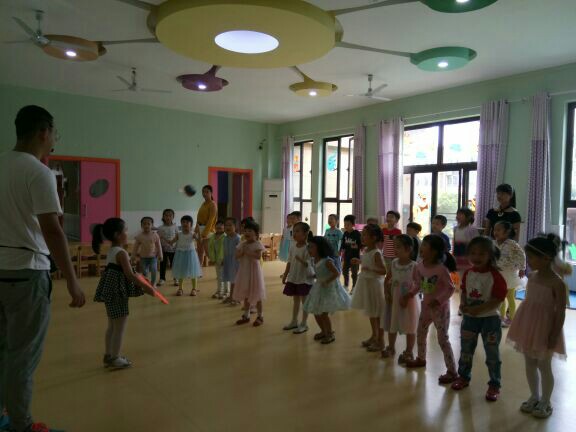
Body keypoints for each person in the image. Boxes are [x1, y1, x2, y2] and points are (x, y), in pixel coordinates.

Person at [0, 105, 85, 432]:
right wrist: (72, 281)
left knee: (3, 351)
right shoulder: (39, 173)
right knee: (22, 356)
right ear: (43, 132)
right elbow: (52, 230)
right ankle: (20, 425)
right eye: (54, 134)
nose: (54, 141)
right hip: (27, 273)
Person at [507, 234, 567, 419]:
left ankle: (546, 402)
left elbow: (561, 311)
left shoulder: (557, 283)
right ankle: (534, 396)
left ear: (546, 258)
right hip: (528, 325)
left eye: (532, 258)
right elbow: (529, 302)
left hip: (546, 328)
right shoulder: (532, 276)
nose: (529, 262)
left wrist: (554, 334)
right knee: (530, 363)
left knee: (544, 365)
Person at [93, 218, 156, 370]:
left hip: (111, 292)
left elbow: (126, 272)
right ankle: (115, 358)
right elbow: (130, 275)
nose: (128, 233)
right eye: (125, 231)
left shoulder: (112, 250)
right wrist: (147, 288)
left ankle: (108, 355)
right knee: (119, 327)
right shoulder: (121, 253)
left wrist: (141, 277)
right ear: (117, 234)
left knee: (112, 326)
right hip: (117, 293)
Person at [451, 237, 507, 402]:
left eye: (482, 254)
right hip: (470, 320)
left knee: (492, 354)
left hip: (490, 320)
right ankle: (463, 377)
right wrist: (462, 304)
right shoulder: (468, 273)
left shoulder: (495, 275)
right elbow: (463, 291)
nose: (476, 257)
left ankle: (494, 384)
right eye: (473, 253)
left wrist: (478, 309)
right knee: (466, 351)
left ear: (490, 255)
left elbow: (498, 299)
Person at [404, 235, 458, 385]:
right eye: (422, 245)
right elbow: (418, 284)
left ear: (434, 251)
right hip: (426, 307)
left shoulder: (441, 269)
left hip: (440, 310)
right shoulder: (419, 266)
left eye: (425, 245)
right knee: (421, 333)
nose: (421, 248)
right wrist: (410, 293)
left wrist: (439, 300)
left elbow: (450, 288)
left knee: (442, 339)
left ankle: (452, 371)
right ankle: (421, 358)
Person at [303, 237, 351, 344]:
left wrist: (327, 281)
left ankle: (330, 334)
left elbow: (336, 273)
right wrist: (314, 276)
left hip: (328, 288)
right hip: (319, 287)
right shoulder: (314, 260)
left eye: (312, 247)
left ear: (320, 248)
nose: (309, 249)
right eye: (308, 247)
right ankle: (323, 331)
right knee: (316, 312)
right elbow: (320, 272)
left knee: (323, 313)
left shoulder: (327, 261)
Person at [381, 235, 419, 364]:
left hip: (408, 301)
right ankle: (391, 347)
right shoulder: (394, 263)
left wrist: (408, 296)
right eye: (394, 246)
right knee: (393, 322)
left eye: (398, 247)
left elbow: (419, 284)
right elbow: (387, 279)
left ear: (408, 249)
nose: (395, 250)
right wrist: (386, 292)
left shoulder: (414, 266)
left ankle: (409, 351)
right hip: (393, 299)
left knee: (410, 325)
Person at [351, 224, 387, 352]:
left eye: (365, 235)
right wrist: (360, 262)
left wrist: (369, 268)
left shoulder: (376, 253)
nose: (362, 237)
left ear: (374, 237)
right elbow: (368, 263)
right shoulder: (366, 250)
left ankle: (381, 341)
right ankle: (374, 336)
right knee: (372, 313)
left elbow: (383, 271)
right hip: (367, 283)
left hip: (375, 286)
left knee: (378, 314)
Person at [281, 222, 314, 334]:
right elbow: (289, 262)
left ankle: (304, 323)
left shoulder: (308, 248)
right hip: (294, 277)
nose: (294, 234)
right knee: (295, 300)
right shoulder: (293, 247)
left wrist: (302, 261)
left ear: (305, 234)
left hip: (304, 279)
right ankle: (294, 321)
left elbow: (310, 264)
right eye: (293, 231)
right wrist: (285, 274)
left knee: (305, 301)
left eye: (297, 231)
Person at [233, 220, 266, 326]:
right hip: (244, 271)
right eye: (246, 231)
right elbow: (236, 256)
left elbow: (258, 256)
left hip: (254, 272)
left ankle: (260, 316)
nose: (247, 233)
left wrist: (248, 252)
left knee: (257, 294)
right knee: (246, 293)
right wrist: (242, 252)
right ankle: (246, 315)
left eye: (250, 231)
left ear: (256, 233)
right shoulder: (242, 244)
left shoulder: (257, 244)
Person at [493, 221, 526, 327]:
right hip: (498, 274)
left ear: (507, 232)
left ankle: (511, 318)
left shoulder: (512, 244)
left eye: (498, 230)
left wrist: (522, 268)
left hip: (509, 274)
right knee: (500, 297)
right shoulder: (493, 243)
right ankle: (501, 318)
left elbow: (522, 255)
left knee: (510, 297)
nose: (495, 232)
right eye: (494, 230)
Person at [171, 215, 203, 296]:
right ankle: (180, 288)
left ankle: (194, 289)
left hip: (191, 254)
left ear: (191, 224)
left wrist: (199, 231)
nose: (185, 224)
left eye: (187, 222)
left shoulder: (192, 234)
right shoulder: (179, 234)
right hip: (180, 254)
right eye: (183, 222)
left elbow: (200, 241)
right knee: (180, 272)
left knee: (193, 272)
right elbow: (171, 242)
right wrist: (162, 238)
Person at [133, 216, 163, 286]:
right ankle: (146, 283)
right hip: (143, 257)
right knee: (144, 271)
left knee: (154, 269)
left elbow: (159, 246)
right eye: (144, 224)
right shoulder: (139, 236)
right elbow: (135, 247)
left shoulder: (155, 235)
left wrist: (160, 255)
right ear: (141, 225)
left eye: (148, 224)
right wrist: (133, 256)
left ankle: (153, 283)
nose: (146, 225)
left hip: (153, 257)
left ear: (152, 225)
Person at [195, 185, 218, 266]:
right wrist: (196, 230)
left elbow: (211, 220)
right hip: (200, 229)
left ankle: (219, 268)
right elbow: (198, 218)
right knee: (200, 252)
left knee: (209, 253)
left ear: (211, 193)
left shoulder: (213, 204)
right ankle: (198, 270)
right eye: (203, 192)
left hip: (208, 231)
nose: (204, 193)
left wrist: (204, 234)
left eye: (207, 192)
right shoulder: (203, 204)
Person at [340, 215, 362, 293]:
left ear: (353, 225)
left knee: (354, 273)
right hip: (347, 256)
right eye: (345, 224)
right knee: (344, 271)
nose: (346, 226)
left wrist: (358, 246)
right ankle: (346, 285)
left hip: (355, 257)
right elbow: (343, 244)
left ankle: (354, 286)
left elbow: (361, 244)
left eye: (348, 225)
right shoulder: (345, 233)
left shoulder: (357, 234)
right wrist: (340, 250)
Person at [222, 217, 241, 305]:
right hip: (228, 261)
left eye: (230, 225)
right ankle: (231, 296)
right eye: (226, 225)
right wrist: (223, 259)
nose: (227, 227)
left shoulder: (238, 238)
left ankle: (237, 297)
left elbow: (240, 251)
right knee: (232, 280)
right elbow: (225, 250)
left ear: (235, 227)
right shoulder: (225, 238)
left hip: (236, 262)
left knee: (236, 280)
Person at [453, 207, 478, 273]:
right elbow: (454, 241)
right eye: (457, 214)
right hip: (458, 253)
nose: (458, 216)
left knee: (468, 270)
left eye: (460, 214)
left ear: (468, 217)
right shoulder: (455, 228)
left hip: (468, 253)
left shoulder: (472, 229)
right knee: (459, 272)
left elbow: (476, 242)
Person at [157, 208, 179, 287]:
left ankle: (176, 278)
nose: (168, 217)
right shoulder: (160, 228)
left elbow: (177, 237)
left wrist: (177, 247)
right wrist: (159, 249)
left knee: (174, 264)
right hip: (163, 249)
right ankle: (162, 278)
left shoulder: (175, 227)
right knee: (163, 264)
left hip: (173, 249)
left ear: (173, 217)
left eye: (170, 215)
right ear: (163, 216)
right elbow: (158, 239)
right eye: (166, 215)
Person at [208, 220, 226, 299]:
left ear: (224, 227)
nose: (219, 226)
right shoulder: (212, 236)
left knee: (223, 276)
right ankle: (219, 291)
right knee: (219, 276)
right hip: (216, 259)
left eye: (221, 225)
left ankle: (224, 291)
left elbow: (226, 249)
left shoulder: (225, 237)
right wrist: (211, 258)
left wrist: (224, 259)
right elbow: (210, 248)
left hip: (223, 260)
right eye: (217, 225)